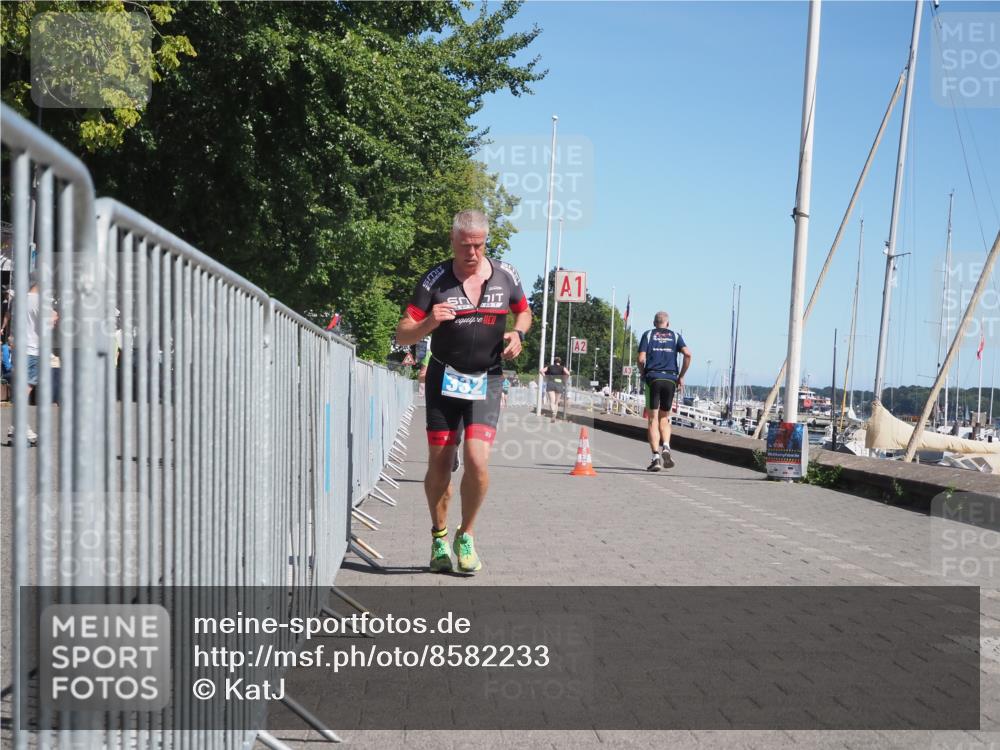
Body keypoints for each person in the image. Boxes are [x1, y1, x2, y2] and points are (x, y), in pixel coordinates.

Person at [395, 209, 531, 574]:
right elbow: (402, 333)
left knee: (477, 461)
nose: (472, 252)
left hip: (487, 378)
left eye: (478, 245)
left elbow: (525, 313)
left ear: (486, 242)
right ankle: (439, 536)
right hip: (444, 378)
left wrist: (518, 333)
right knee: (439, 464)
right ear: (453, 241)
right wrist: (428, 322)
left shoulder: (506, 275)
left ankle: (465, 534)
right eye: (464, 245)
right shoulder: (434, 280)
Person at [637, 311, 691, 471]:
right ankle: (666, 446)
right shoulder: (675, 336)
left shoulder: (648, 335)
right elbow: (688, 353)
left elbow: (641, 358)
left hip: (653, 378)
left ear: (654, 323)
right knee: (665, 417)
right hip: (670, 379)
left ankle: (656, 457)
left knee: (652, 419)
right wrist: (681, 376)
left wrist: (642, 373)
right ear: (668, 323)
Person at [540, 357, 570, 422]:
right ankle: (554, 415)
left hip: (551, 384)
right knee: (556, 402)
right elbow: (568, 373)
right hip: (559, 384)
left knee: (552, 401)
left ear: (554, 361)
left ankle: (553, 413)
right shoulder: (562, 368)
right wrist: (564, 379)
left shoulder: (550, 367)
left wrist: (545, 377)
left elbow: (541, 371)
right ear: (560, 362)